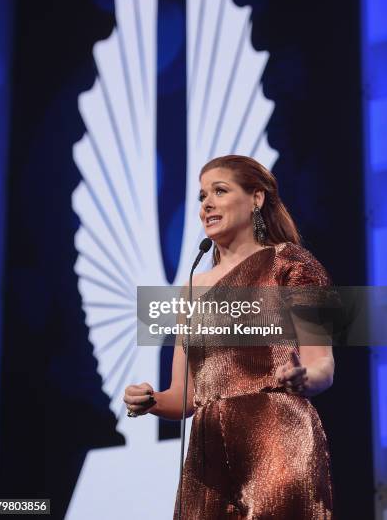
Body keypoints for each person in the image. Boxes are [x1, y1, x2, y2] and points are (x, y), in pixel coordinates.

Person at [124, 155, 335, 519]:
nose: (207, 204)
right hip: (207, 456)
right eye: (202, 196)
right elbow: (185, 396)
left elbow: (323, 365)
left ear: (257, 198)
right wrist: (150, 400)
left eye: (220, 191)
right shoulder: (191, 289)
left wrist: (304, 378)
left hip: (276, 439)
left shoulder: (291, 265)